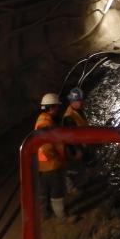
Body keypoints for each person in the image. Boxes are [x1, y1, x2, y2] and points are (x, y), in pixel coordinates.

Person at [35, 93, 75, 222]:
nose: (58, 109)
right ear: (51, 108)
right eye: (56, 107)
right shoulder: (47, 123)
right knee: (56, 192)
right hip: (51, 164)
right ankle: (62, 217)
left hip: (42, 165)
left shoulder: (42, 118)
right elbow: (47, 145)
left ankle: (44, 214)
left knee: (44, 191)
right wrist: (57, 156)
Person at [62, 87, 93, 191]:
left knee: (87, 164)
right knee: (76, 169)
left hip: (83, 143)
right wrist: (77, 150)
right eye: (80, 100)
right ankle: (72, 188)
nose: (82, 102)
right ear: (73, 101)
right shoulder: (69, 116)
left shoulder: (78, 111)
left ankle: (88, 181)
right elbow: (70, 136)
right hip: (77, 147)